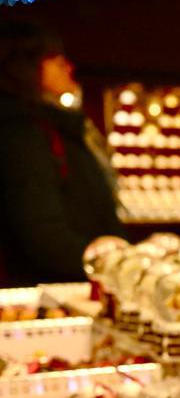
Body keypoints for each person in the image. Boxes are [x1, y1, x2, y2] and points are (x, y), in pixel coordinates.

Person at [0, 20, 125, 285]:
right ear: (29, 67)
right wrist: (109, 266)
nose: (69, 68)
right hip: (56, 291)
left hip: (77, 280)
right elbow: (41, 230)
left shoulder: (57, 126)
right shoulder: (24, 133)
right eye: (57, 61)